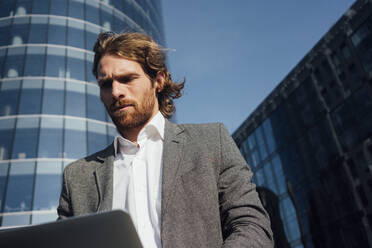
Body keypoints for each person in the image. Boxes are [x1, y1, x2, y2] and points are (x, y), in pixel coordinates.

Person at [57, 32, 274, 248]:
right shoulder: (77, 176)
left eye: (126, 79)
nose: (116, 92)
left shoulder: (211, 141)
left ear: (158, 80)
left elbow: (252, 226)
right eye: (106, 84)